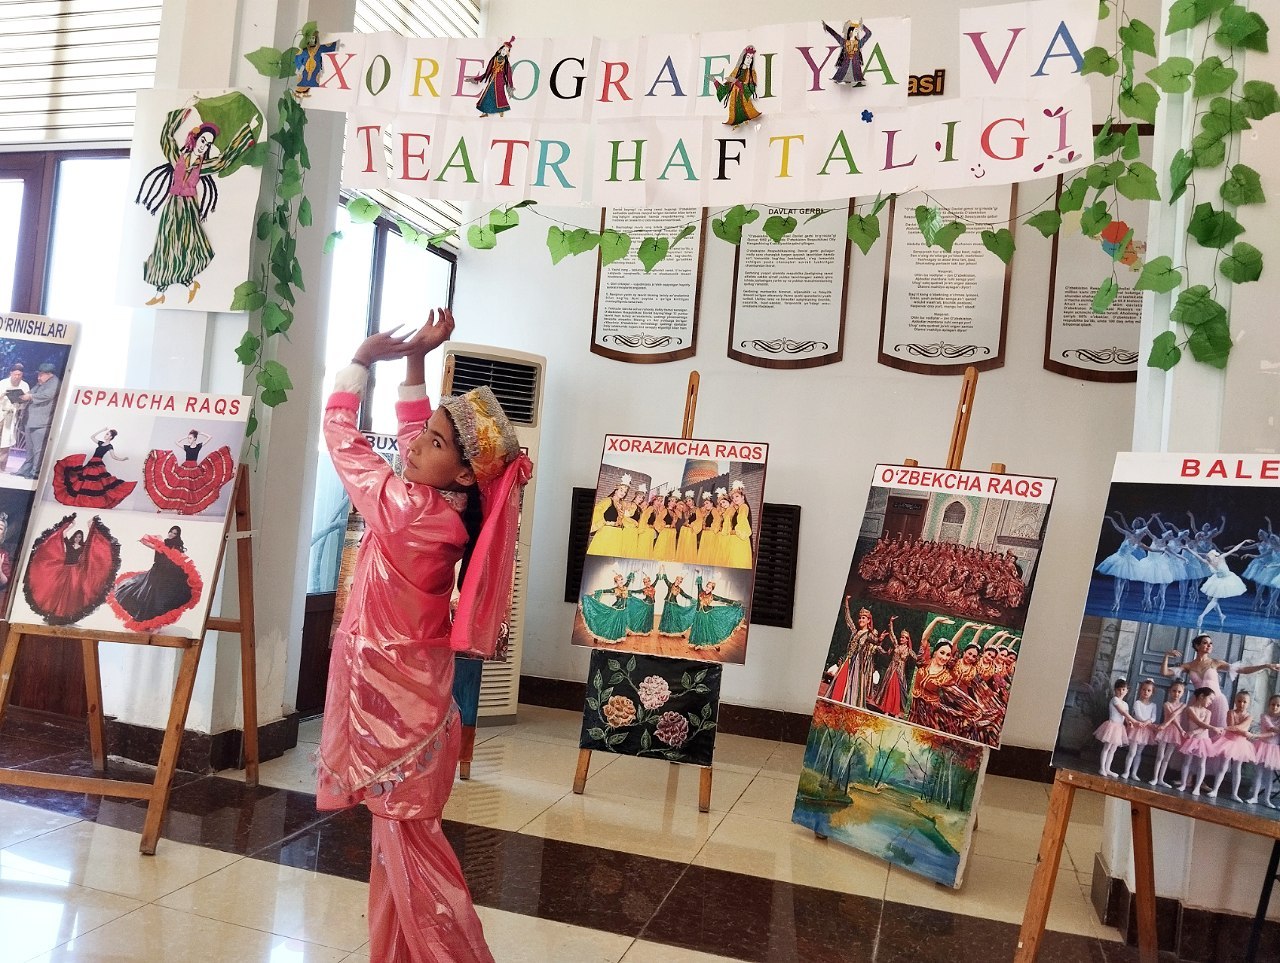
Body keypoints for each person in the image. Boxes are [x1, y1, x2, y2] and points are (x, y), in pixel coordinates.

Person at [317, 307, 529, 963]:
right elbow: (414, 437)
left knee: (415, 865)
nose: (414, 446)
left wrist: (360, 361)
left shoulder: (407, 512)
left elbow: (343, 442)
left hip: (395, 719)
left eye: (435, 443)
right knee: (397, 857)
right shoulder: (447, 509)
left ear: (464, 473)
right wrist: (416, 361)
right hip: (412, 709)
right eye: (428, 434)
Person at [135, 107, 258, 305]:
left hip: (188, 209)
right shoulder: (178, 159)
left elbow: (223, 161)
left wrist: (246, 132)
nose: (204, 146)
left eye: (208, 144)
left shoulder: (203, 166)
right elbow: (166, 139)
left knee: (186, 246)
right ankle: (172, 288)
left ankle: (176, 287)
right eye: (203, 141)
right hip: (171, 207)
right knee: (165, 244)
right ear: (195, 139)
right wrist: (180, 113)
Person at [21, 514, 121, 625]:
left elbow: (91, 538)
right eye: (77, 536)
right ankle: (55, 613)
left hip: (75, 573)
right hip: (64, 570)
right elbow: (63, 534)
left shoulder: (83, 547)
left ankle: (65, 615)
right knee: (57, 591)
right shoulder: (69, 544)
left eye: (80, 537)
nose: (78, 538)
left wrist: (91, 525)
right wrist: (71, 525)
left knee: (71, 593)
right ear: (74, 536)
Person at [108, 526, 203, 631]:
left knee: (160, 600)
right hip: (154, 574)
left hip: (165, 577)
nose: (171, 534)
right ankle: (147, 623)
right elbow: (149, 544)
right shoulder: (161, 543)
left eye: (174, 533)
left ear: (177, 536)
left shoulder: (176, 547)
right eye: (171, 532)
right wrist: (143, 540)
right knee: (146, 597)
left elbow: (181, 560)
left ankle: (157, 624)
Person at [143, 428, 236, 515]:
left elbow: (209, 437)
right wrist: (186, 436)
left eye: (190, 438)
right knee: (175, 486)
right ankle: (162, 506)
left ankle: (183, 509)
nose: (189, 440)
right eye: (188, 438)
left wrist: (200, 433)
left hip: (194, 469)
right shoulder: (186, 447)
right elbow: (176, 442)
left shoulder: (198, 446)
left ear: (195, 439)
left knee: (191, 491)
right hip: (185, 467)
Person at [52, 428, 137, 509]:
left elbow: (114, 456)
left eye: (107, 434)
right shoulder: (100, 443)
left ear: (111, 437)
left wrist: (122, 459)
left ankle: (93, 501)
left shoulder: (109, 446)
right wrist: (102, 430)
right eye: (106, 434)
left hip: (98, 463)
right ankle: (85, 500)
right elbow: (92, 437)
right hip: (91, 462)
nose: (105, 435)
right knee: (85, 480)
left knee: (96, 482)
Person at [1207, 691, 1256, 801]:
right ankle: (1215, 790)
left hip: (1241, 744)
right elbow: (1233, 727)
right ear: (1235, 701)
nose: (1241, 704)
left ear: (1248, 703)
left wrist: (1236, 729)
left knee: (1237, 769)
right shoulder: (1231, 712)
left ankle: (1234, 794)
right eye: (1239, 701)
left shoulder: (1249, 716)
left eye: (1244, 702)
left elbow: (1239, 727)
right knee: (1223, 766)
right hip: (1228, 741)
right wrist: (1244, 732)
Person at [16, 363, 59, 479]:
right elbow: (31, 393)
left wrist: (30, 397)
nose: (38, 377)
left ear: (49, 374)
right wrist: (22, 396)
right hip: (31, 420)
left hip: (41, 422)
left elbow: (47, 395)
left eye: (41, 375)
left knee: (38, 450)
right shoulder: (40, 383)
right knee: (29, 449)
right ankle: (25, 469)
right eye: (39, 374)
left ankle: (35, 472)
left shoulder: (55, 383)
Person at [1178, 687, 1223, 795]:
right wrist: (1214, 728)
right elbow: (1199, 722)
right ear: (1202, 696)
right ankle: (1183, 784)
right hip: (1192, 740)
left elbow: (1204, 727)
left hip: (1203, 740)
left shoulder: (1208, 712)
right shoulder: (1190, 709)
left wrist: (1193, 732)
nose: (1211, 702)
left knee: (1202, 764)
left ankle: (1197, 787)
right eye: (1210, 699)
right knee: (1187, 762)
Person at [1095, 679, 1136, 778]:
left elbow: (1125, 717)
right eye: (1119, 689)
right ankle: (1102, 768)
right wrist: (1134, 720)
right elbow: (1122, 712)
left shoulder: (1125, 704)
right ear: (1115, 690)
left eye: (1123, 689)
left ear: (1127, 691)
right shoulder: (1115, 700)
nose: (1121, 691)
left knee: (1113, 749)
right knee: (1107, 747)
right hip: (1112, 726)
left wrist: (1129, 722)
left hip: (1119, 728)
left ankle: (1108, 768)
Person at [1150, 679, 1187, 788]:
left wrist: (1179, 729)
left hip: (1174, 732)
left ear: (1183, 693)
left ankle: (1161, 779)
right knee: (1160, 756)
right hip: (1165, 731)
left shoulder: (1183, 705)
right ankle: (1155, 778)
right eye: (1174, 691)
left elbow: (1175, 715)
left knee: (1167, 758)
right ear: (1170, 691)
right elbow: (1173, 717)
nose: (1176, 694)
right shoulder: (1166, 704)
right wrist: (1168, 726)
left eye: (1179, 692)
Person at [715, 46, 762, 127]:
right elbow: (726, 88)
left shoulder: (752, 74)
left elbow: (750, 88)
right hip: (734, 97)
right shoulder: (736, 71)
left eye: (751, 58)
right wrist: (715, 82)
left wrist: (736, 82)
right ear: (743, 58)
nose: (749, 60)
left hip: (744, 100)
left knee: (745, 111)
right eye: (748, 57)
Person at [467, 38, 516, 116]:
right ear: (500, 50)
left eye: (506, 51)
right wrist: (476, 79)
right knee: (488, 95)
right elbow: (487, 72)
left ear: (508, 53)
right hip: (492, 80)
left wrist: (511, 86)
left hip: (500, 82)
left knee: (500, 96)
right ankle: (485, 112)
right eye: (504, 50)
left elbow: (508, 75)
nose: (504, 52)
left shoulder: (506, 63)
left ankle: (501, 110)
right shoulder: (494, 59)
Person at [1122, 679, 1160, 780]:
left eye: (1149, 690)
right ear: (1140, 690)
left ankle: (1134, 773)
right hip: (1136, 729)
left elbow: (1153, 717)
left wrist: (1148, 722)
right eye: (1144, 689)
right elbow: (1138, 715)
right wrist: (1145, 722)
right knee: (1132, 752)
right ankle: (1126, 771)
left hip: (1146, 731)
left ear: (1152, 692)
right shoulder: (1137, 703)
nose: (1146, 692)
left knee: (1139, 753)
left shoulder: (1153, 705)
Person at [1248, 694, 1280, 807]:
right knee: (1258, 773)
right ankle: (1254, 797)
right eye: (1273, 704)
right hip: (1262, 747)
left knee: (1269, 776)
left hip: (1273, 750)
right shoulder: (1264, 716)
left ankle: (1267, 799)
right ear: (1268, 705)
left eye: (1278, 705)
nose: (1275, 707)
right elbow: (1271, 729)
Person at [820, 19, 873, 86]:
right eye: (855, 30)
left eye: (857, 31)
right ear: (850, 32)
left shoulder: (859, 43)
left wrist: (862, 26)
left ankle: (854, 81)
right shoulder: (844, 42)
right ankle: (843, 80)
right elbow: (835, 35)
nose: (856, 32)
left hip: (855, 64)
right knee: (842, 73)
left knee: (856, 75)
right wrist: (826, 27)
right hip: (845, 63)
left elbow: (869, 34)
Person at [0, 363, 29, 470]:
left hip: (12, 414)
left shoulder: (24, 385)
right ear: (11, 373)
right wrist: (3, 394)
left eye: (19, 375)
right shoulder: (3, 383)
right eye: (15, 374)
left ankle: (1, 466)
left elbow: (26, 401)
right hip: (1, 412)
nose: (17, 377)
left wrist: (21, 400)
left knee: (6, 441)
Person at [723, 480, 753, 569]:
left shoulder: (744, 507)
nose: (735, 499)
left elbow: (742, 521)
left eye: (737, 496)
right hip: (735, 539)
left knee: (737, 562)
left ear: (742, 497)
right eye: (733, 497)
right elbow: (727, 519)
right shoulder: (736, 508)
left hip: (740, 539)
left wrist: (735, 531)